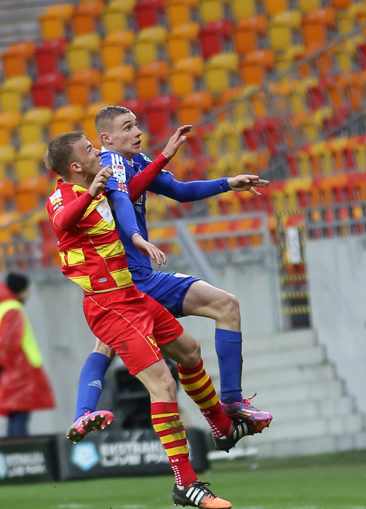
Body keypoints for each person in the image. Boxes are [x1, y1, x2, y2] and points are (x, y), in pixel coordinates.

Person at [44, 131, 270, 509]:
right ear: (76, 166)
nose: (98, 151)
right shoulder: (64, 198)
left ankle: (222, 425)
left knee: (189, 351)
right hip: (109, 305)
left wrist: (164, 157)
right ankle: (187, 483)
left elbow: (138, 191)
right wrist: (90, 194)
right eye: (90, 149)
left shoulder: (105, 184)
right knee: (162, 383)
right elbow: (63, 222)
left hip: (132, 295)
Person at [68, 106, 271, 442]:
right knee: (224, 307)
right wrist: (164, 157)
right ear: (107, 139)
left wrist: (227, 183)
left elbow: (179, 190)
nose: (137, 132)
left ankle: (82, 415)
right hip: (130, 277)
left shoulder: (135, 161)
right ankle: (231, 402)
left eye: (136, 125)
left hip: (123, 282)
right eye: (127, 127)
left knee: (160, 351)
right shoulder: (107, 162)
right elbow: (126, 196)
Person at [0, 273, 55, 437]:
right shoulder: (13, 309)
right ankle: (19, 449)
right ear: (19, 290)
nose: (28, 293)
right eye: (26, 289)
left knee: (14, 414)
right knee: (20, 415)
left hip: (7, 369)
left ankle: (13, 448)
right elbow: (7, 340)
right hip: (19, 369)